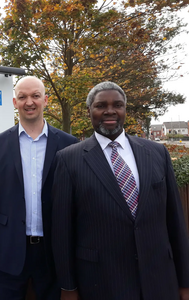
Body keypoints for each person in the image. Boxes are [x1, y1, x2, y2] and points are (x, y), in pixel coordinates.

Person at [52, 81, 189, 300]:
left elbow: (175, 222)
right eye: (100, 105)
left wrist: (185, 281)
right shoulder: (69, 159)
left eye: (117, 104)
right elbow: (62, 231)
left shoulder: (157, 153)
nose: (110, 111)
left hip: (160, 281)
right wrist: (68, 288)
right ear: (89, 111)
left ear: (125, 109)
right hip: (102, 283)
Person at [0, 76, 78, 299]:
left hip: (53, 253)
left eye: (35, 96)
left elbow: (77, 204)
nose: (29, 102)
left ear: (46, 99)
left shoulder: (69, 144)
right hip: (9, 250)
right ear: (15, 102)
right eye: (22, 97)